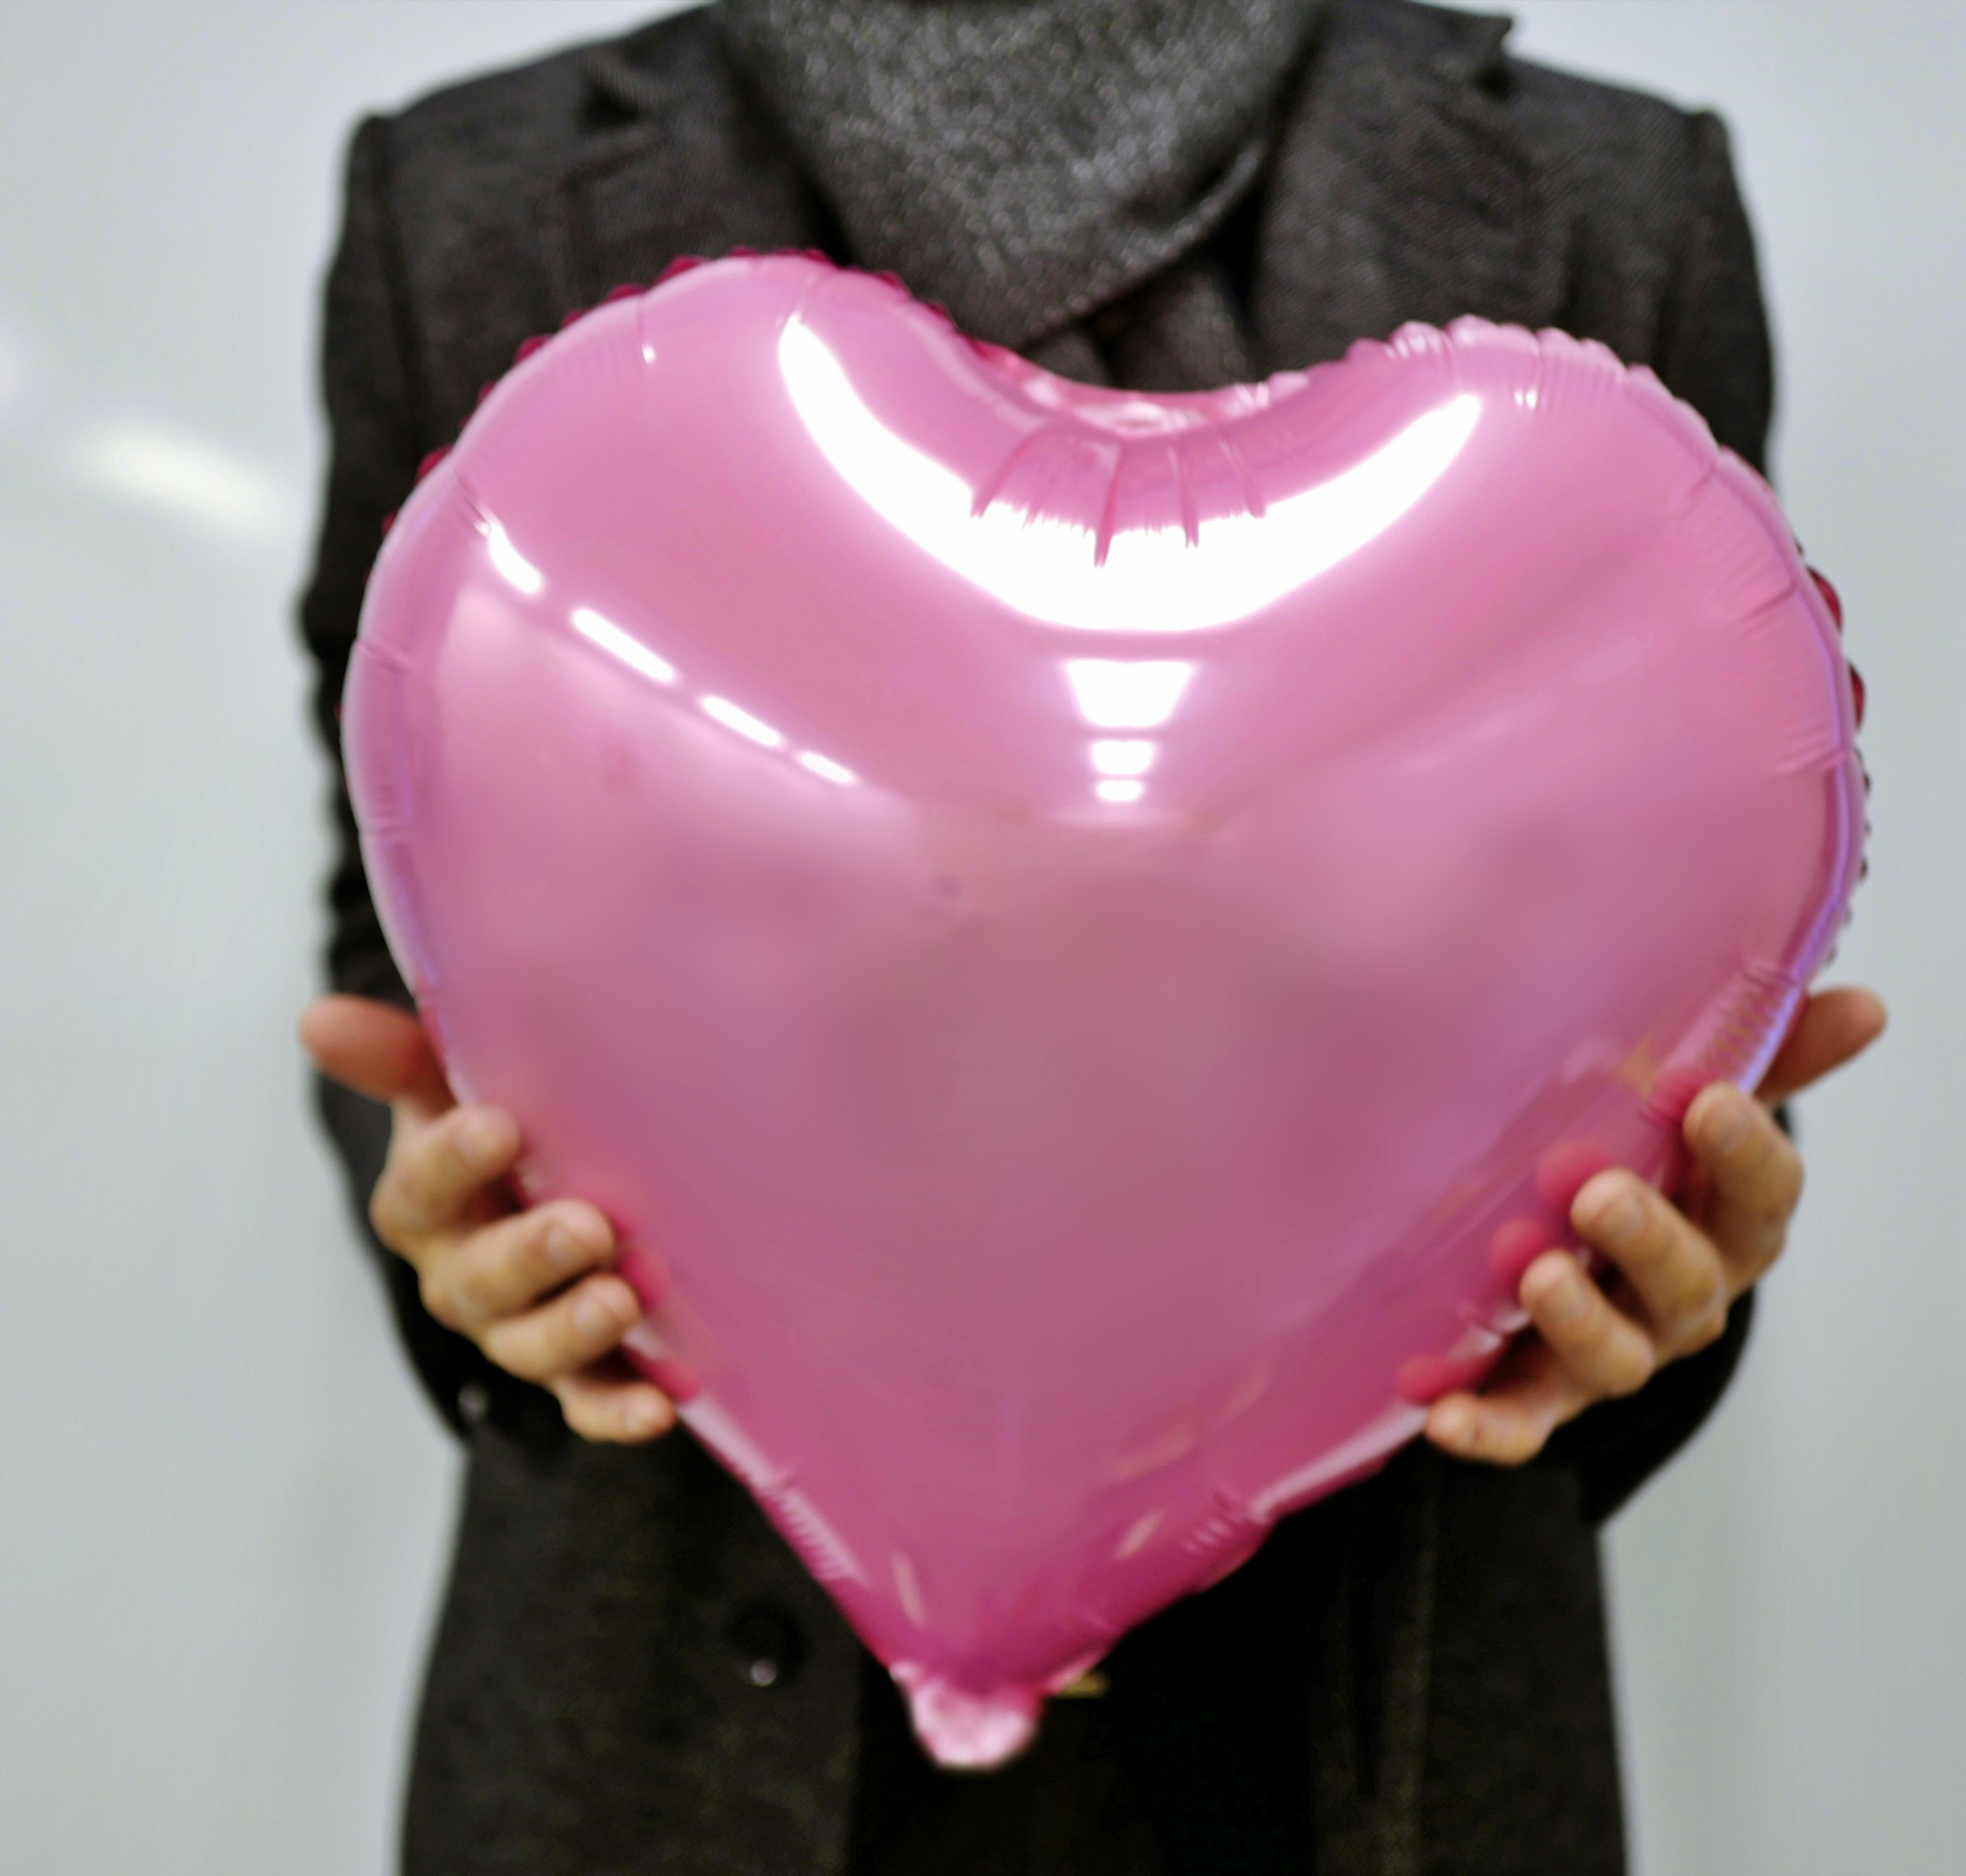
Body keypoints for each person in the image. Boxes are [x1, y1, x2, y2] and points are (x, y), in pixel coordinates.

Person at [294, 3, 1885, 1872]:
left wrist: (1667, 1283)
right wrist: (459, 1245)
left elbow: (1650, 925)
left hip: (1356, 1738)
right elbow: (408, 908)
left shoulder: (1619, 204)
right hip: (674, 1731)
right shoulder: (471, 193)